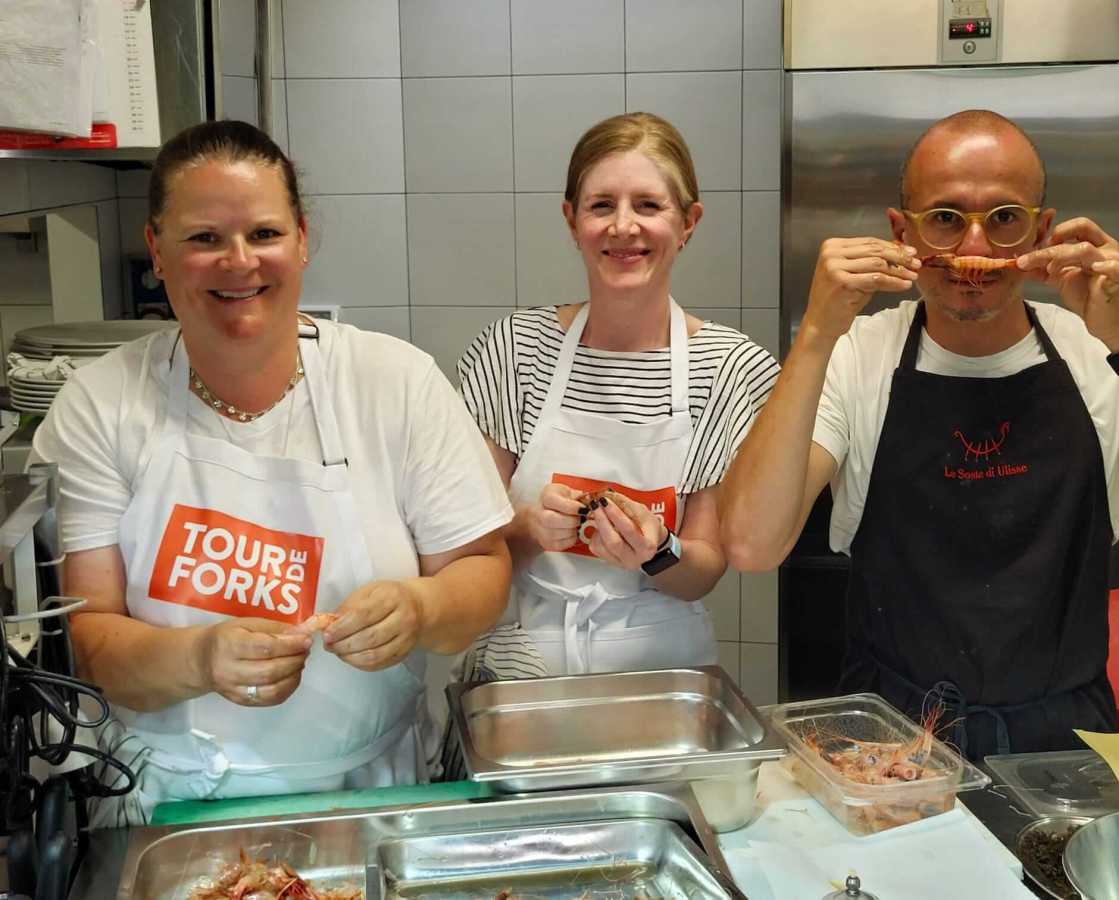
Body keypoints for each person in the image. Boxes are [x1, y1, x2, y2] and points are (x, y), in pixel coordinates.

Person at [31, 120, 513, 825]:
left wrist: (421, 609)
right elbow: (87, 641)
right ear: (157, 251)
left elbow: (483, 572)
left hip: (370, 798)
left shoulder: (393, 383)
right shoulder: (101, 406)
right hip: (165, 805)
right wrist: (200, 658)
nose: (238, 262)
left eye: (263, 234)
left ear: (303, 240)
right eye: (203, 239)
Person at [719, 109, 1119, 759]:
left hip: (1066, 746)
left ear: (1043, 231)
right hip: (887, 745)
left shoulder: (1103, 356)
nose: (974, 251)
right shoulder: (856, 356)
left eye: (1003, 219)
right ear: (902, 231)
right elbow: (751, 543)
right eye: (946, 219)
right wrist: (813, 337)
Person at [455, 112, 779, 679]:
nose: (623, 227)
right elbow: (467, 547)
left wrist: (656, 550)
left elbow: (705, 569)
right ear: (571, 219)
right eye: (602, 205)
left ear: (688, 222)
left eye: (649, 206)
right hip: (525, 668)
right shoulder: (512, 351)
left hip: (663, 678)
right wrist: (530, 528)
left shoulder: (730, 367)